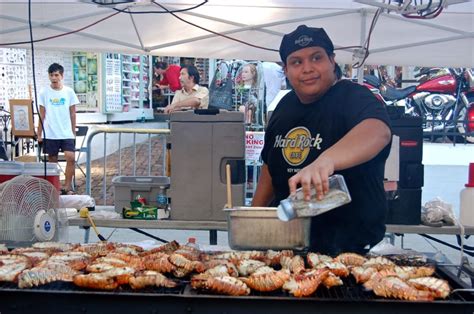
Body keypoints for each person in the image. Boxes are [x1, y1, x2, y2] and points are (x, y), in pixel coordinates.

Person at [252, 25, 392, 255]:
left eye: (316, 58)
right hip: (288, 246)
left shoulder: (353, 96)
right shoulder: (284, 106)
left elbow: (378, 131)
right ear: (285, 69)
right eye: (296, 62)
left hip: (350, 251)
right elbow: (270, 164)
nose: (307, 69)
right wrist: (255, 216)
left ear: (332, 60)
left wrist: (325, 161)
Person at [37, 63, 79, 195]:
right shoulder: (44, 92)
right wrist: (39, 133)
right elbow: (41, 114)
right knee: (52, 160)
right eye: (51, 75)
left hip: (66, 132)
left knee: (70, 157)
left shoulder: (69, 91)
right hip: (50, 132)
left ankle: (67, 186)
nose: (54, 78)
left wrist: (73, 131)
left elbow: (73, 113)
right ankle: (54, 186)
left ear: (62, 76)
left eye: (56, 75)